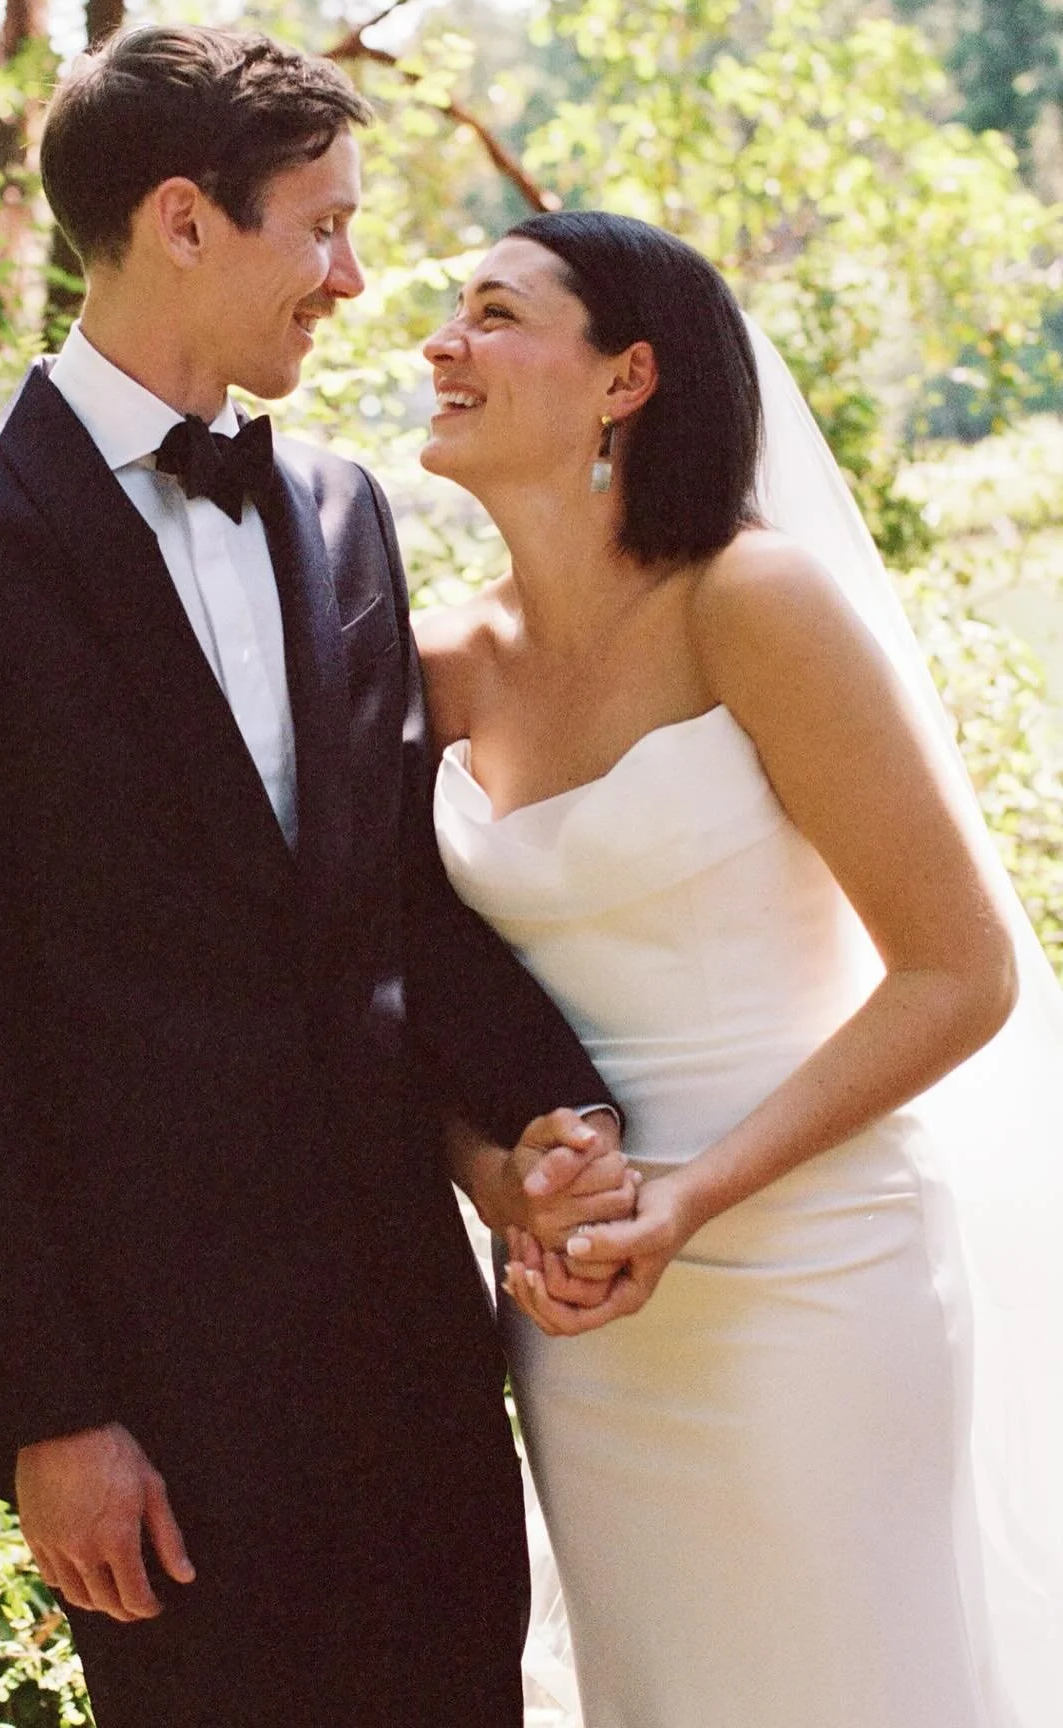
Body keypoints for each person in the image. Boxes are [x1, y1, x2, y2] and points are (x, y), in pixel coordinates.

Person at [0, 28, 637, 1728]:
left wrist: (558, 1111)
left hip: (417, 1374)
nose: (349, 280)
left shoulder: (340, 509)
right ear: (184, 221)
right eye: (318, 228)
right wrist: (51, 1416)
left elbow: (396, 903)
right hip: (162, 1419)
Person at [417, 208, 1063, 1728]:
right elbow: (387, 996)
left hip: (812, 1277)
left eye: (497, 314)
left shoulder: (749, 603)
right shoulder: (437, 661)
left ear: (627, 376)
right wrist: (502, 1181)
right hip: (587, 1323)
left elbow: (959, 974)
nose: (441, 343)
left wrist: (691, 1195)